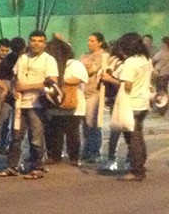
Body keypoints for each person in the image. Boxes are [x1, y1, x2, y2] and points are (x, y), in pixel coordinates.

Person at [0, 30, 58, 179]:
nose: (36, 44)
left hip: (37, 104)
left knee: (36, 138)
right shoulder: (23, 58)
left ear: (44, 44)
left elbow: (53, 83)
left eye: (40, 41)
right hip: (20, 104)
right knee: (15, 137)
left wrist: (27, 86)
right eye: (33, 41)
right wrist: (13, 89)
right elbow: (15, 78)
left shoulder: (48, 60)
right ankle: (13, 166)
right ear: (29, 42)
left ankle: (37, 167)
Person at [106, 33, 153, 181]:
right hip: (143, 102)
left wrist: (110, 79)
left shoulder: (131, 62)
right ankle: (140, 165)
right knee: (138, 135)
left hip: (131, 103)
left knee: (132, 139)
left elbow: (127, 85)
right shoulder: (146, 59)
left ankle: (137, 170)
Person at [44, 38, 88, 165]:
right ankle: (54, 155)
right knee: (54, 131)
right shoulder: (50, 64)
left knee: (72, 132)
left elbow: (79, 78)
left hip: (72, 105)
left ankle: (74, 157)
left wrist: (60, 80)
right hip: (54, 104)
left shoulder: (74, 64)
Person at [80, 32, 107, 162]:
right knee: (85, 123)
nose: (89, 43)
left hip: (94, 93)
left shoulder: (103, 56)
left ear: (100, 43)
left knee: (93, 123)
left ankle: (95, 152)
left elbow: (91, 71)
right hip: (83, 91)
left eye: (92, 41)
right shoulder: (85, 55)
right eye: (88, 40)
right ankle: (86, 150)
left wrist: (84, 70)